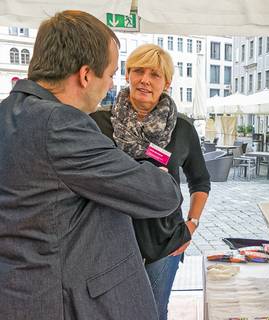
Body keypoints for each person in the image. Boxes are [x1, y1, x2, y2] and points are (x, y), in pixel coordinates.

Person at [0, 11, 182, 320]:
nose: (111, 83)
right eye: (111, 73)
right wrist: (152, 171)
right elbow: (161, 194)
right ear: (86, 75)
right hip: (62, 300)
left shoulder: (8, 112)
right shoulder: (59, 124)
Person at [90, 44, 210, 320]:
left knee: (153, 312)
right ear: (128, 75)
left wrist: (192, 224)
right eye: (138, 71)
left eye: (154, 74)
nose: (145, 79)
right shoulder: (98, 123)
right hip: (109, 240)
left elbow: (201, 180)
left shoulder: (182, 128)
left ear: (167, 82)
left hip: (164, 241)